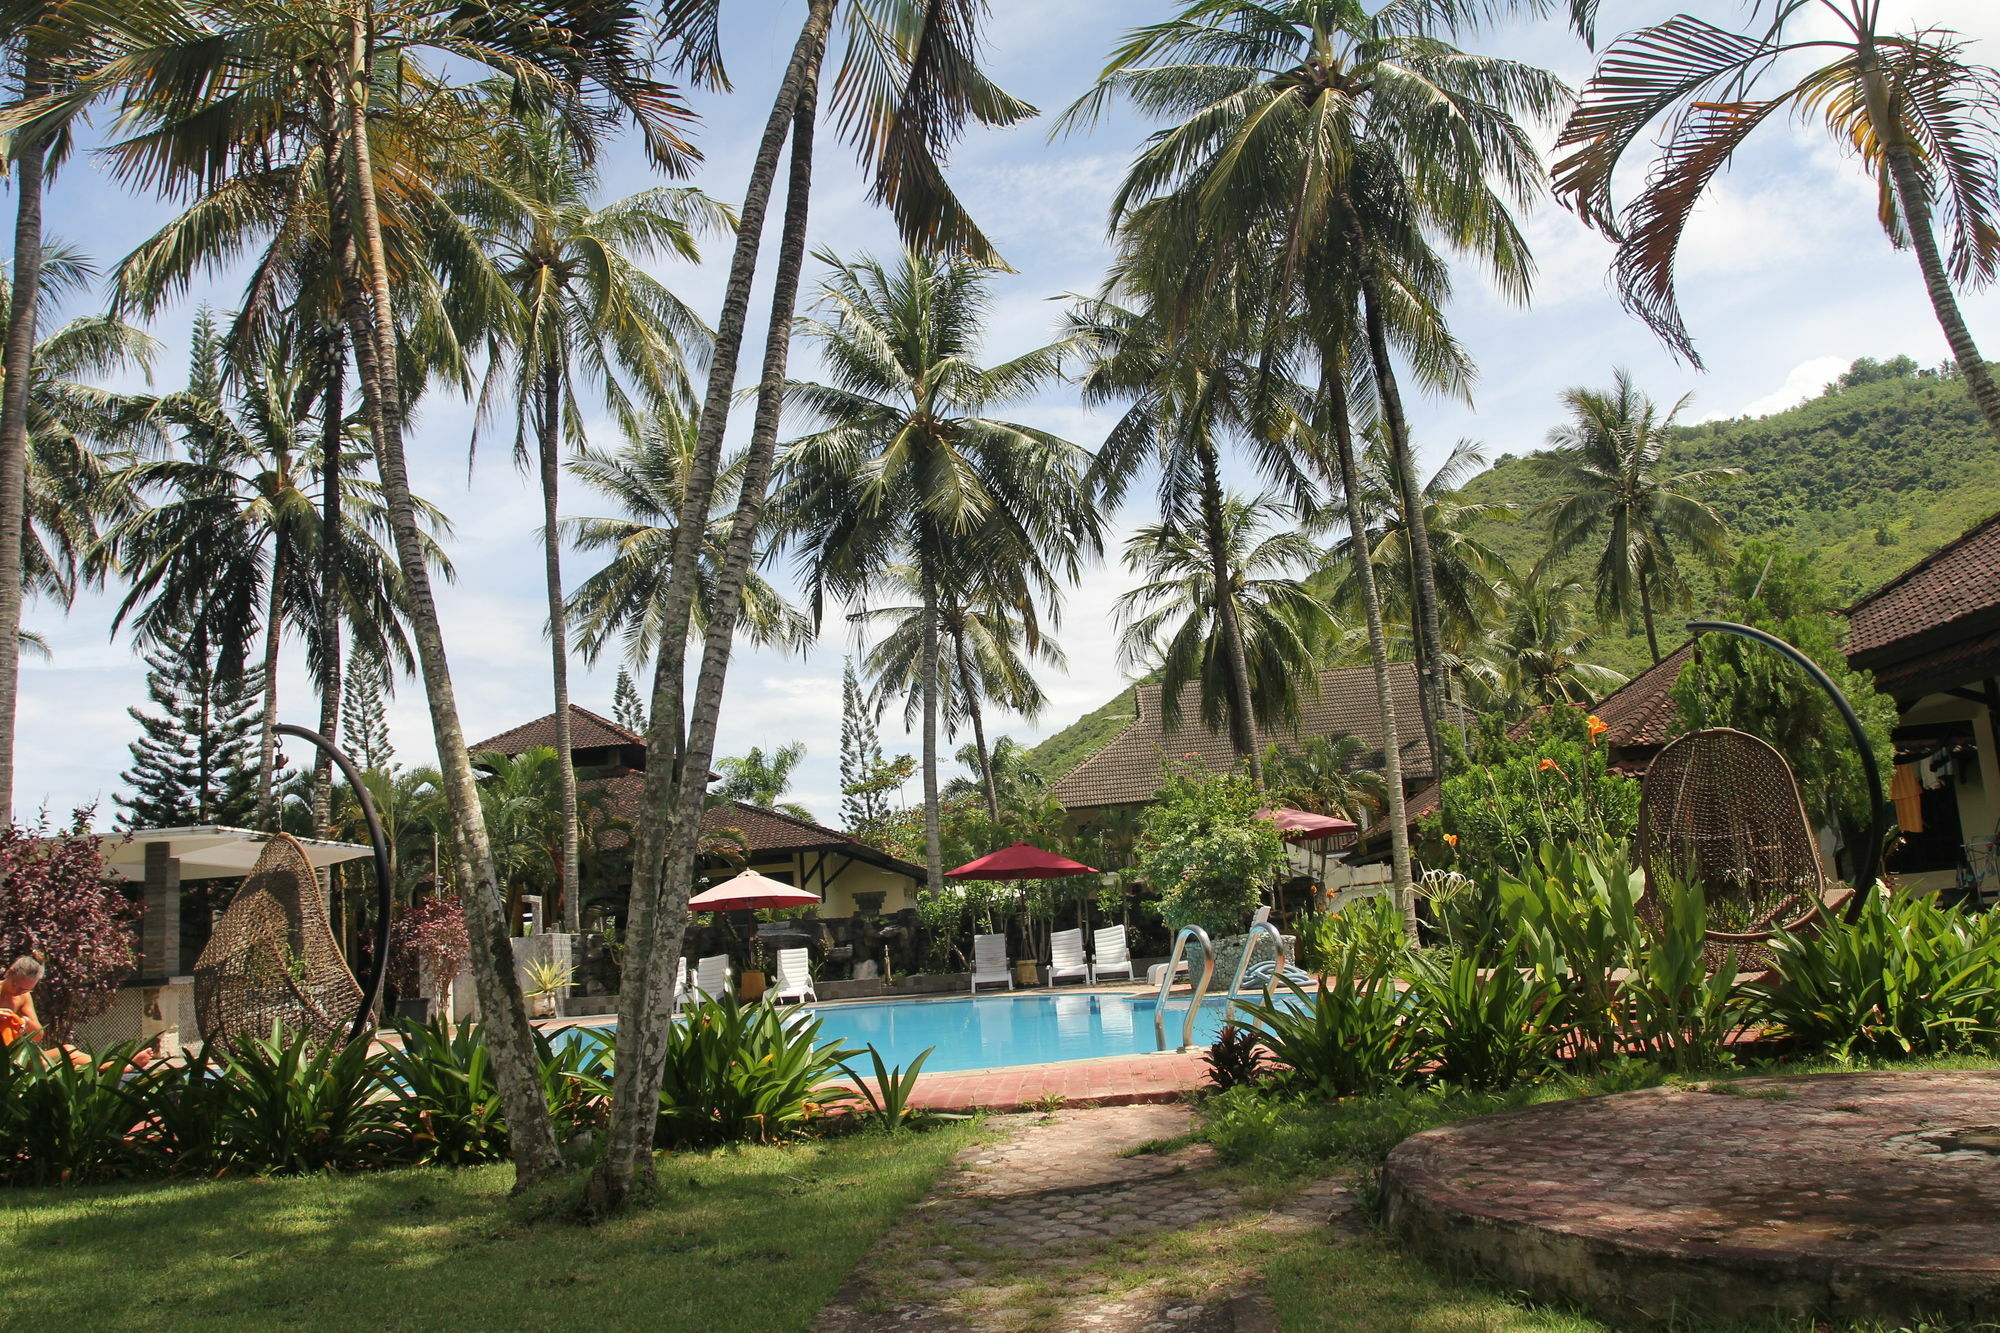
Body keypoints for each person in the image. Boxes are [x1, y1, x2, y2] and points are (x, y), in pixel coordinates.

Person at [0, 955, 154, 1070]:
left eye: (26, 989)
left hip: (18, 1055)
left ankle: (114, 1067)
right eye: (17, 986)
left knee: (68, 1050)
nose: (18, 992)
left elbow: (39, 1034)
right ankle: (110, 1070)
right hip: (6, 1059)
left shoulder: (23, 997)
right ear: (9, 972)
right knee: (51, 1064)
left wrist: (25, 1022)